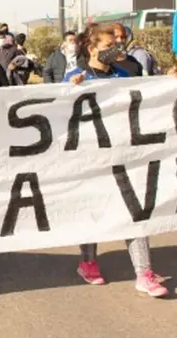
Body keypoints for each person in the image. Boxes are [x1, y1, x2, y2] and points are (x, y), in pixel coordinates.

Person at [64, 24, 169, 298]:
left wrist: (173, 81)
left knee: (135, 211)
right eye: (109, 45)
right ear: (92, 48)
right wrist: (71, 92)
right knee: (93, 212)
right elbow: (61, 115)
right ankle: (88, 262)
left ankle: (143, 273)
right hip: (90, 159)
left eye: (117, 44)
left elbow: (151, 96)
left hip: (125, 155)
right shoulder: (75, 77)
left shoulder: (125, 74)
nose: (115, 50)